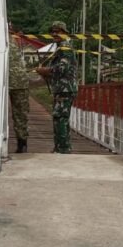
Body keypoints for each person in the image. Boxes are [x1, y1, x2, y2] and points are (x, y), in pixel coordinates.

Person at [43, 21, 77, 153]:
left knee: (60, 118)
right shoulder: (60, 47)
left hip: (65, 88)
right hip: (62, 88)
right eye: (52, 31)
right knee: (59, 118)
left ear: (64, 33)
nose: (54, 34)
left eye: (58, 31)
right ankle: (61, 147)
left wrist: (46, 71)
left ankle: (63, 148)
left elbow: (62, 68)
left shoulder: (65, 47)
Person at [8, 24, 30, 153]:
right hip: (21, 82)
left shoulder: (1, 38)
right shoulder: (18, 40)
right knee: (20, 114)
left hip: (9, 81)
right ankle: (22, 143)